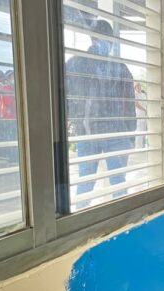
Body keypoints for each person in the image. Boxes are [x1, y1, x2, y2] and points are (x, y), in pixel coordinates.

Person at [65, 19, 136, 209]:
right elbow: (65, 97)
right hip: (89, 133)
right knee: (88, 184)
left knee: (116, 184)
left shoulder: (119, 68)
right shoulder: (76, 65)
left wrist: (130, 133)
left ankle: (120, 225)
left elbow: (128, 102)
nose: (105, 43)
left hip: (112, 132)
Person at [134, 81, 148, 150]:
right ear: (135, 87)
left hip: (145, 114)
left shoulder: (143, 94)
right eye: (138, 86)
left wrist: (146, 110)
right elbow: (136, 104)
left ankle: (143, 145)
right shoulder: (135, 94)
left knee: (144, 130)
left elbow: (147, 103)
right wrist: (144, 110)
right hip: (139, 113)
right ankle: (138, 146)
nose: (139, 87)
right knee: (139, 130)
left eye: (140, 86)